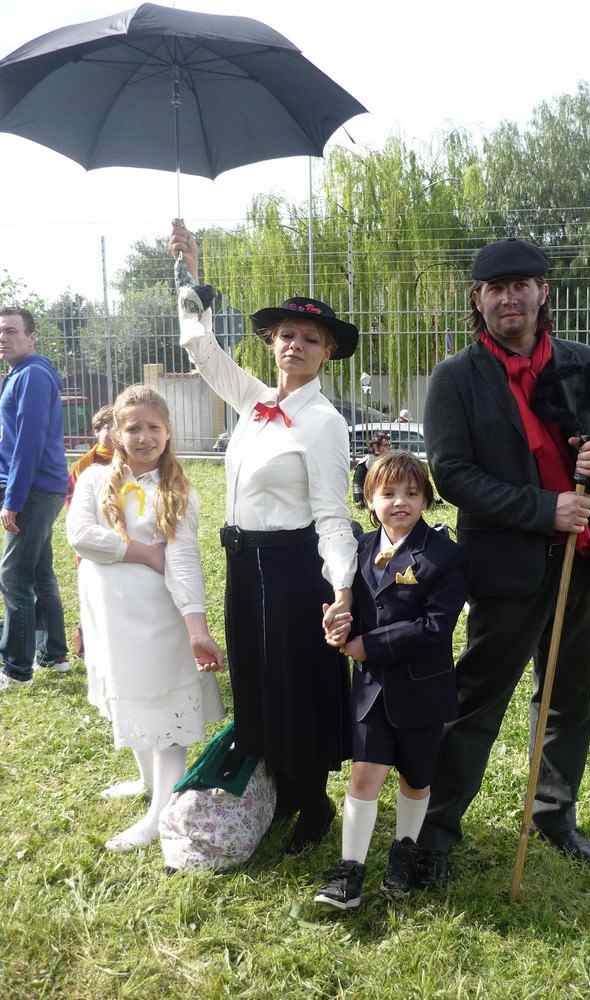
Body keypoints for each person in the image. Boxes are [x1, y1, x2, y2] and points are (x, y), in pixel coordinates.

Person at [418, 238, 590, 879]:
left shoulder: (586, 364)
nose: (509, 297)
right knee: (476, 702)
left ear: (544, 293)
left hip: (582, 559)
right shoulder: (455, 378)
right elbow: (452, 474)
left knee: (568, 699)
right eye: (495, 287)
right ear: (477, 301)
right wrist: (545, 509)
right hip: (506, 566)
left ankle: (553, 814)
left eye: (521, 284)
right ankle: (435, 830)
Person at [169, 219, 359, 854]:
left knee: (292, 682)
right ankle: (274, 788)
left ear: (327, 351)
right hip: (241, 562)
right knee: (252, 676)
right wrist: (188, 276)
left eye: (310, 338)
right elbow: (200, 348)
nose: (295, 345)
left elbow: (333, 514)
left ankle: (311, 802)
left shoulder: (325, 423)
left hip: (291, 569)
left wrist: (340, 588)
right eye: (285, 336)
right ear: (271, 344)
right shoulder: (252, 405)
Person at [67, 384, 224, 851]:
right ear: (115, 432)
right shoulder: (96, 480)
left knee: (163, 713)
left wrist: (196, 628)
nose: (144, 436)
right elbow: (80, 535)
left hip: (158, 621)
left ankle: (162, 811)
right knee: (127, 696)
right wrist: (140, 552)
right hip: (110, 618)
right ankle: (145, 782)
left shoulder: (176, 490)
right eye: (133, 427)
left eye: (154, 427)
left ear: (168, 431)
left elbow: (182, 561)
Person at [315, 452, 466, 909]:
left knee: (416, 779)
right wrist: (338, 626)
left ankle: (404, 850)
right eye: (388, 493)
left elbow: (436, 625)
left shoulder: (444, 555)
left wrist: (370, 645)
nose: (400, 502)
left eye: (411, 493)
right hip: (370, 689)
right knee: (364, 776)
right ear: (369, 498)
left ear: (425, 499)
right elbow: (350, 607)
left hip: (423, 690)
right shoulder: (359, 550)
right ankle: (350, 870)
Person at [0, 307, 69, 690]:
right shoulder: (20, 375)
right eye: (0, 332)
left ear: (31, 337)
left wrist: (12, 499)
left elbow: (29, 444)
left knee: (13, 576)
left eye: (11, 331)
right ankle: (53, 654)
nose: (3, 337)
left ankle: (16, 668)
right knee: (40, 572)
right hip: (37, 487)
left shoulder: (34, 377)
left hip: (34, 491)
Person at [66, 405, 115, 657]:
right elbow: (72, 505)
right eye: (103, 427)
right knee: (91, 592)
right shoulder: (82, 465)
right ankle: (87, 645)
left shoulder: (130, 460)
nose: (108, 432)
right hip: (91, 539)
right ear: (95, 432)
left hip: (122, 538)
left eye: (113, 425)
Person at [352, 430, 391, 507]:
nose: (388, 448)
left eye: (388, 445)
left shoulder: (386, 459)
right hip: (367, 496)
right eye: (385, 445)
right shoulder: (368, 461)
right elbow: (357, 483)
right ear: (376, 447)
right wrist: (359, 499)